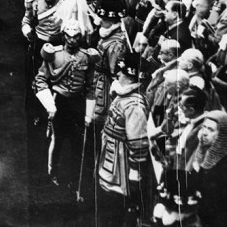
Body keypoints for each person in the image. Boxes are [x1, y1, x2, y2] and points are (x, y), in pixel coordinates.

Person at [34, 18, 98, 187]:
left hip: (77, 103)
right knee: (58, 139)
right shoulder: (53, 54)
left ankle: (74, 179)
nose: (72, 39)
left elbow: (91, 87)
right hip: (59, 101)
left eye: (76, 36)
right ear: (63, 36)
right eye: (68, 36)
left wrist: (88, 114)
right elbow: (40, 79)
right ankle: (52, 172)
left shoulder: (86, 57)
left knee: (77, 142)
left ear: (80, 36)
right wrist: (49, 104)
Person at [96, 52, 150, 226]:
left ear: (131, 75)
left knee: (115, 211)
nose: (117, 74)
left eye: (122, 72)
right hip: (111, 159)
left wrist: (135, 171)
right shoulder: (123, 95)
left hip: (121, 167)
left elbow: (138, 142)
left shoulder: (135, 105)